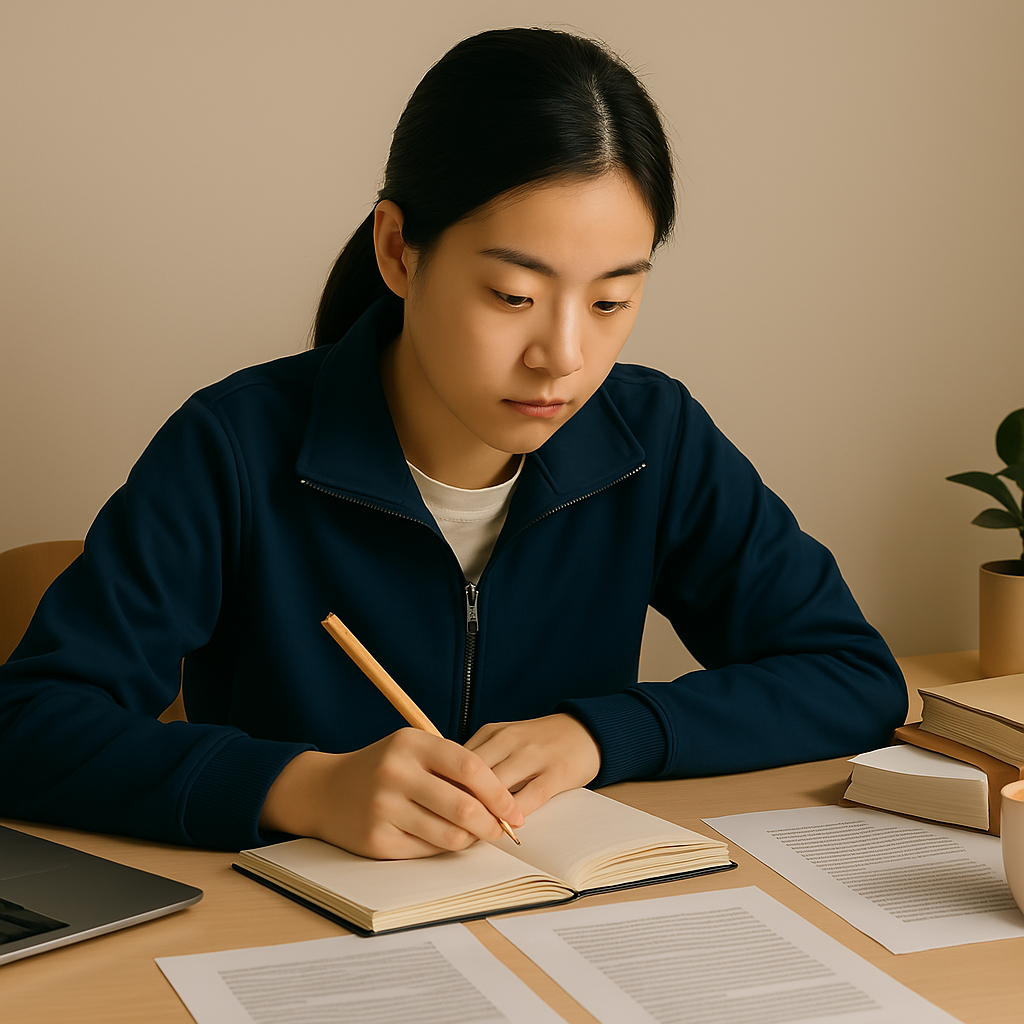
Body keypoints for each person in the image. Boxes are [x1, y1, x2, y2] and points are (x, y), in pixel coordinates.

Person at [0, 27, 907, 859]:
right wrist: (302, 788)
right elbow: (29, 722)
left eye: (612, 301)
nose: (564, 355)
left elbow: (851, 675)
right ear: (399, 251)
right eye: (514, 295)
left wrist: (601, 733)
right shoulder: (235, 447)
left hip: (555, 923)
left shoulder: (652, 437)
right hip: (299, 936)